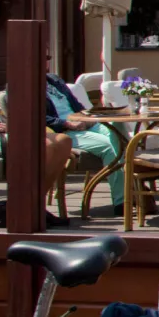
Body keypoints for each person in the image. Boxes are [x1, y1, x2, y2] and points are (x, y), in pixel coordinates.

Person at [44, 55, 125, 210]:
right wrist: (67, 123)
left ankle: (130, 189)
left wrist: (86, 117)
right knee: (109, 146)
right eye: (43, 57)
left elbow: (77, 105)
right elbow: (35, 117)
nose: (46, 61)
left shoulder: (54, 80)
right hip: (62, 131)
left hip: (81, 123)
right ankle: (122, 201)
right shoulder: (23, 85)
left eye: (48, 57)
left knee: (118, 134)